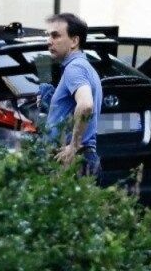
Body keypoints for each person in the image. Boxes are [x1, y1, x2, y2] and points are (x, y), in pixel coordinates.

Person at [44, 12, 102, 178]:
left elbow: (86, 105)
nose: (49, 41)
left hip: (73, 162)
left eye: (55, 36)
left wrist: (73, 146)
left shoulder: (74, 68)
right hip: (81, 159)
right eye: (48, 36)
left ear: (74, 41)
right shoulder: (84, 67)